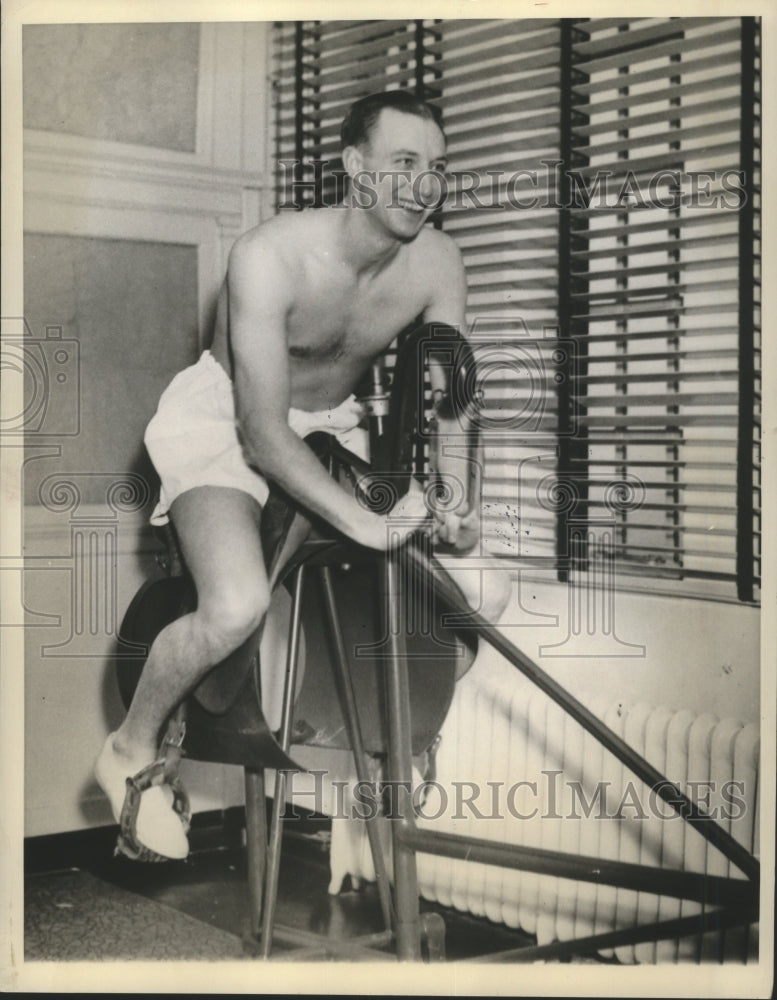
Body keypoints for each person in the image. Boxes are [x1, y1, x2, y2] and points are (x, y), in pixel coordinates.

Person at [95, 90, 510, 860]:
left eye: (437, 169)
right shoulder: (268, 256)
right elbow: (259, 431)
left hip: (328, 430)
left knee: (484, 588)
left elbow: (454, 397)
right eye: (403, 164)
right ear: (355, 168)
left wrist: (457, 499)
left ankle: (389, 751)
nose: (424, 186)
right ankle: (132, 749)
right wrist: (358, 520)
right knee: (236, 604)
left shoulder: (438, 260)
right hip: (227, 422)